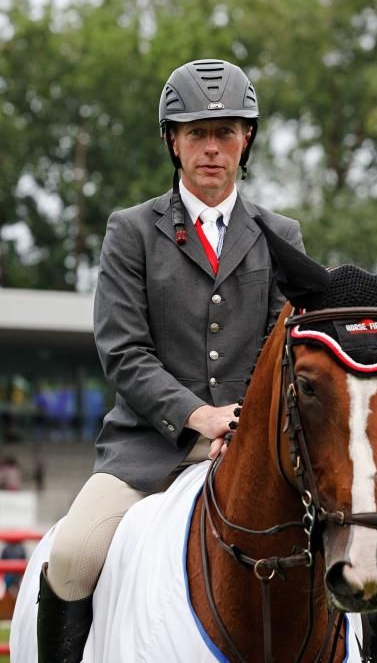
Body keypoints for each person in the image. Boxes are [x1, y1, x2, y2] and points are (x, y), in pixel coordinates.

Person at [35, 58, 304, 662]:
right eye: (196, 134)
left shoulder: (280, 234)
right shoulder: (130, 231)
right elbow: (123, 351)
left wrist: (241, 423)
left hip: (253, 446)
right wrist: (198, 417)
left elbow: (281, 350)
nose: (212, 149)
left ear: (246, 140)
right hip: (147, 448)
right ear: (173, 142)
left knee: (359, 549)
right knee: (74, 556)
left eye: (225, 133)